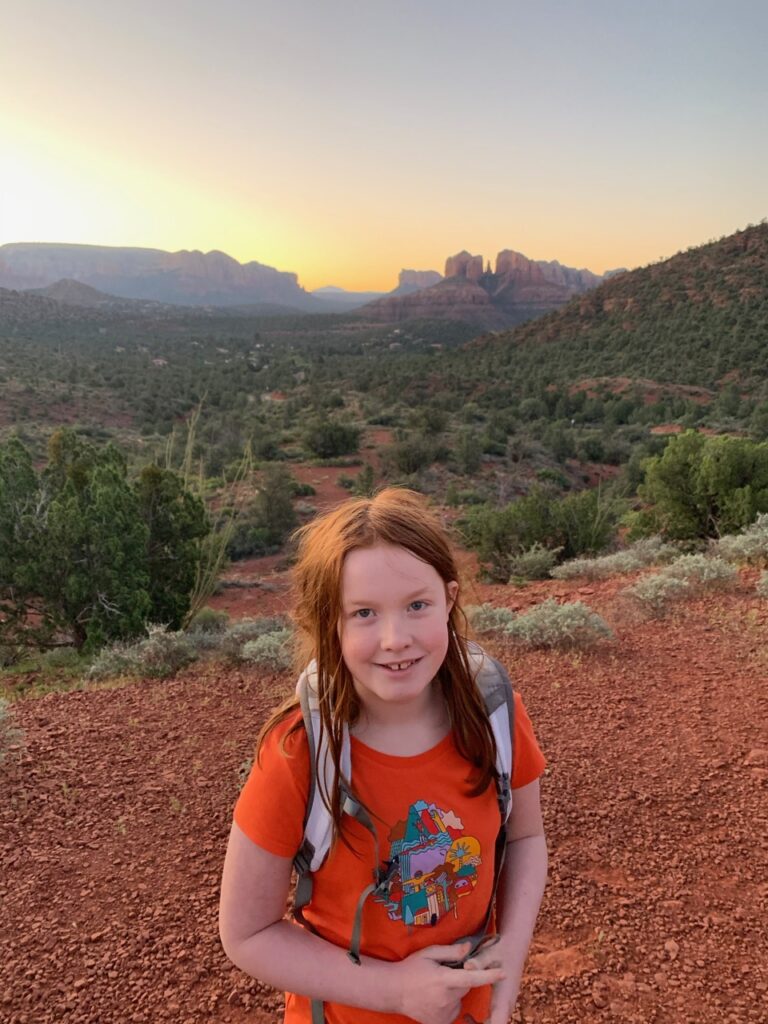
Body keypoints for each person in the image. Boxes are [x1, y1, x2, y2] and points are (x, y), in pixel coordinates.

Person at [219, 488, 548, 1024]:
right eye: (364, 613)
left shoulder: (494, 714)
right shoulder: (299, 751)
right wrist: (395, 991)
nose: (395, 639)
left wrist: (509, 958)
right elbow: (246, 933)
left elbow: (528, 837)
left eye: (417, 605)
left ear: (449, 599)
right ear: (332, 624)